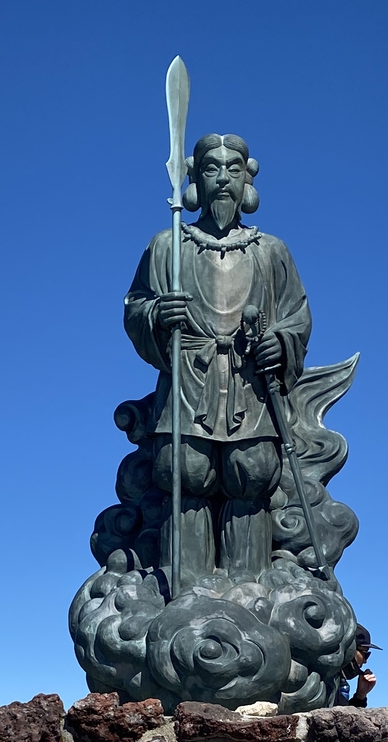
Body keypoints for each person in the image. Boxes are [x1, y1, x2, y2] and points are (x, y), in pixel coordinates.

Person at [123, 133, 312, 586]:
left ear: (247, 179)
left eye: (233, 168)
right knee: (185, 471)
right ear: (195, 180)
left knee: (252, 472)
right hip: (189, 381)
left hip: (250, 384)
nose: (223, 178)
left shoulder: (271, 251)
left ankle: (250, 592)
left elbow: (297, 315)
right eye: (212, 168)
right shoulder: (168, 246)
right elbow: (135, 307)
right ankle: (184, 593)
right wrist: (156, 314)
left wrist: (281, 342)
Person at [337, 625, 380, 706]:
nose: (365, 661)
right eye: (365, 653)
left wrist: (360, 695)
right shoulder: (321, 681)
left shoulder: (339, 683)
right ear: (349, 649)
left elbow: (341, 713)